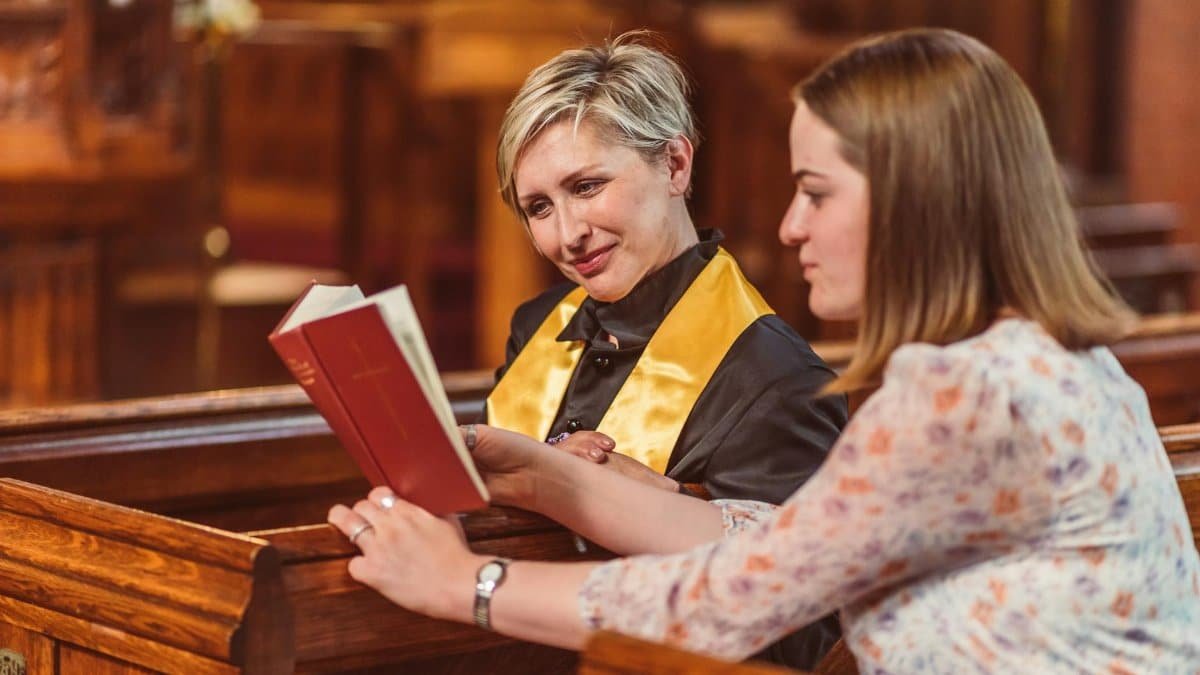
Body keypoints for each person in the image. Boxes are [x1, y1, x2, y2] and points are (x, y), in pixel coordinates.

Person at [330, 28, 1200, 673]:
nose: (789, 228)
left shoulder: (963, 393)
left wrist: (464, 584)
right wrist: (560, 480)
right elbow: (797, 538)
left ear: (920, 197)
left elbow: (731, 601)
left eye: (816, 193)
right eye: (539, 205)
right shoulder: (1057, 360)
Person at [483, 33, 847, 668]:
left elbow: (805, 634)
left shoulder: (773, 378)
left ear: (675, 166)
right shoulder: (537, 323)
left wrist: (673, 507)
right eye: (539, 207)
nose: (568, 235)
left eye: (588, 186)